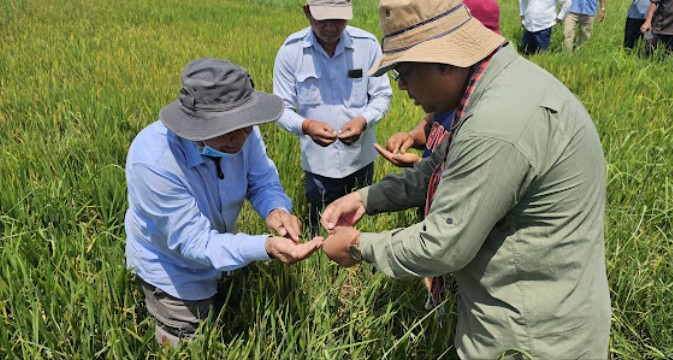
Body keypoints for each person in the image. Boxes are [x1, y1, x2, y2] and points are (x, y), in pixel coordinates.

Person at [321, 0, 611, 358]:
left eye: (405, 73)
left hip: (529, 340)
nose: (405, 89)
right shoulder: (497, 86)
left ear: (444, 59)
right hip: (534, 315)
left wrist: (357, 246)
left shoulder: (494, 126)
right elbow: (440, 169)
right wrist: (366, 198)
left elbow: (442, 245)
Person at [125, 58, 323, 347]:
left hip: (219, 250)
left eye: (247, 124)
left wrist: (275, 208)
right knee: (189, 345)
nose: (243, 136)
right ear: (196, 125)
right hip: (173, 267)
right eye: (227, 129)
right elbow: (195, 244)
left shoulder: (243, 132)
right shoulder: (155, 163)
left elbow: (262, 180)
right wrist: (265, 246)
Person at [272, 0, 392, 234]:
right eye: (323, 18)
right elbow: (280, 108)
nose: (331, 27)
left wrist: (363, 121)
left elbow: (382, 95)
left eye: (338, 19)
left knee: (359, 226)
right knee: (322, 225)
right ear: (307, 12)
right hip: (319, 165)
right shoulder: (291, 51)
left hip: (361, 159)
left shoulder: (366, 46)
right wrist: (306, 126)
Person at [375, 0, 502, 170]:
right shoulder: (448, 93)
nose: (403, 86)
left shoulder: (481, 113)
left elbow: (459, 177)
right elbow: (430, 122)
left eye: (407, 72)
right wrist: (411, 136)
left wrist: (419, 165)